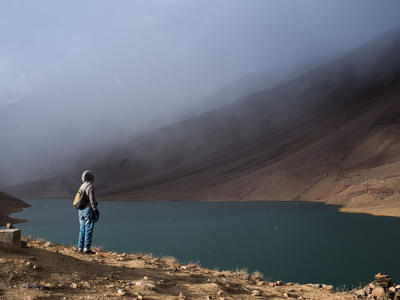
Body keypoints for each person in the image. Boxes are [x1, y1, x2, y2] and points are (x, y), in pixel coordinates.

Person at [77, 170, 99, 254]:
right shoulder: (90, 186)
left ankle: (80, 247)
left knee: (82, 229)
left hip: (80, 210)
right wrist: (95, 210)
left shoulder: (81, 186)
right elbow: (92, 200)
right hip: (88, 210)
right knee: (89, 229)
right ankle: (86, 248)